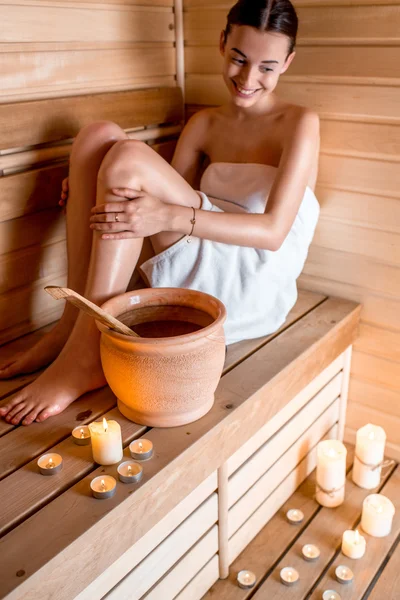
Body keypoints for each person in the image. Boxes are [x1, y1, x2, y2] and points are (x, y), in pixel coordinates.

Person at [0, 0, 320, 426]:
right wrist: (93, 177)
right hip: (202, 244)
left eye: (267, 67)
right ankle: (71, 325)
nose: (248, 78)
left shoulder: (299, 123)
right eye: (239, 59)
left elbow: (273, 233)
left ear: (288, 62)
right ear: (223, 43)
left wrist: (167, 215)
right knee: (100, 137)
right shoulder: (204, 124)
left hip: (252, 272)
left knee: (128, 158)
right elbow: (159, 193)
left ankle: (86, 354)